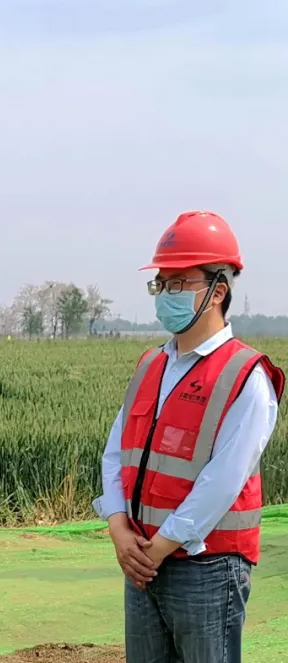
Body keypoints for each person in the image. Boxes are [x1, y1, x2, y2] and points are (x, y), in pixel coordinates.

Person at [94, 211, 284, 663]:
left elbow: (223, 480)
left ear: (218, 291)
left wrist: (159, 547)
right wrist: (118, 526)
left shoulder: (245, 375)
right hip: (140, 557)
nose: (166, 295)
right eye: (162, 284)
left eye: (179, 283)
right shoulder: (150, 365)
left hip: (206, 566)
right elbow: (116, 451)